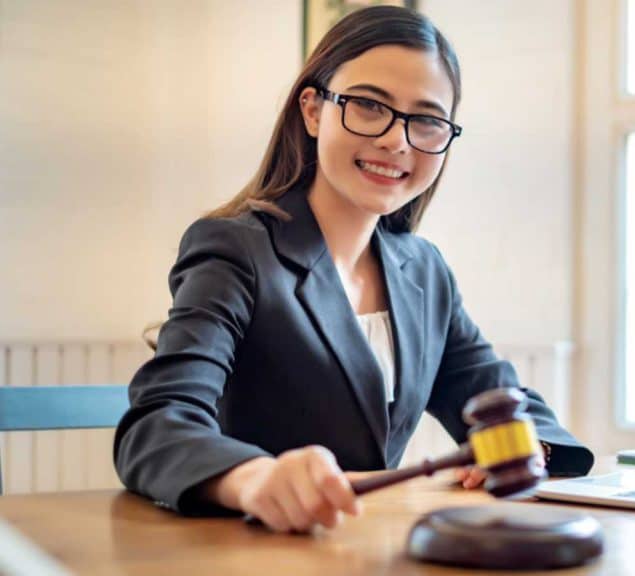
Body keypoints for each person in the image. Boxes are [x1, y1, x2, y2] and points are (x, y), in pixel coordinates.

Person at [112, 6, 593, 534]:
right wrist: (254, 477)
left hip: (371, 549)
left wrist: (519, 448)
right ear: (313, 111)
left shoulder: (424, 270)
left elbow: (501, 400)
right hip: (252, 551)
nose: (397, 140)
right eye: (368, 105)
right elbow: (157, 427)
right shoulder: (235, 249)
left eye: (428, 120)